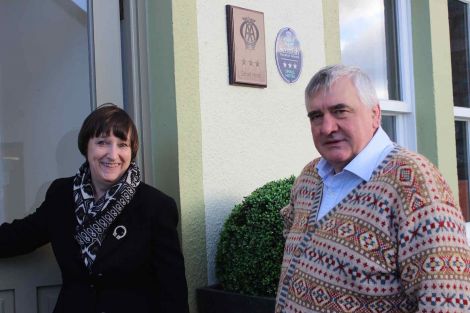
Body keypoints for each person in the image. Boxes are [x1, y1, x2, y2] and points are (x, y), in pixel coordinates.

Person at [276, 65, 470, 313]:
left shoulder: (415, 183)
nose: (326, 127)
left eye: (340, 111)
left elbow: (447, 301)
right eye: (316, 116)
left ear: (374, 114)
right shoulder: (309, 178)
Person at [0, 104, 189, 313]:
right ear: (86, 147)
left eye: (122, 144)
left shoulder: (156, 206)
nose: (112, 154)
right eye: (102, 143)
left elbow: (173, 290)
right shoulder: (61, 195)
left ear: (131, 151)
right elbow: (22, 235)